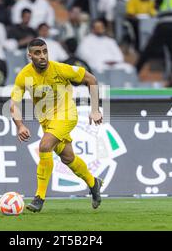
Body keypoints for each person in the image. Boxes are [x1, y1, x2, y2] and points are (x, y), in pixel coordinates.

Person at [10, 38, 103, 212]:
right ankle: (93, 182)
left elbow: (91, 79)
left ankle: (39, 197)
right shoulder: (24, 76)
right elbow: (13, 104)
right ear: (30, 55)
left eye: (45, 51)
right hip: (47, 121)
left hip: (67, 114)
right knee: (68, 158)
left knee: (44, 145)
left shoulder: (60, 69)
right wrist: (20, 126)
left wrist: (95, 109)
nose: (42, 56)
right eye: (37, 53)